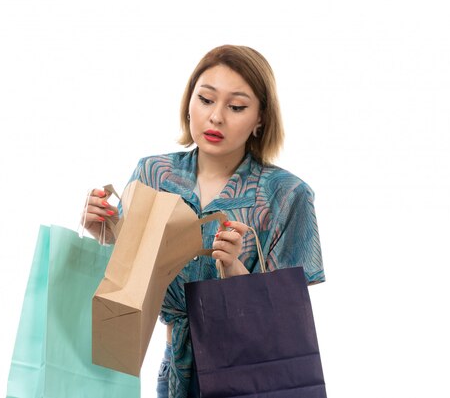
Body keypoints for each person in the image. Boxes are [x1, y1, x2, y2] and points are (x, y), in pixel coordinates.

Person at [82, 45, 325, 398]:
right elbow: (128, 283)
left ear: (260, 118)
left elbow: (288, 319)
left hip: (249, 377)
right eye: (206, 99)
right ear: (189, 102)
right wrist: (103, 232)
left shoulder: (287, 195)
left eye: (237, 106)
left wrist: (234, 272)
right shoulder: (156, 173)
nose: (216, 118)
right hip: (172, 371)